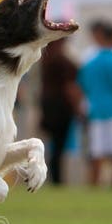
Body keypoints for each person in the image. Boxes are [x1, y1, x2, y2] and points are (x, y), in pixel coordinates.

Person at [78, 23, 112, 186]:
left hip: (96, 111)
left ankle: (94, 184)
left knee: (97, 152)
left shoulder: (90, 61)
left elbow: (82, 85)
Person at [39, 38, 81, 184]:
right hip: (61, 107)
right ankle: (57, 180)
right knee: (59, 146)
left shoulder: (45, 59)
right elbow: (70, 87)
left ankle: (54, 178)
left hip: (48, 106)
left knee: (53, 145)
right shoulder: (62, 61)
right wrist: (78, 107)